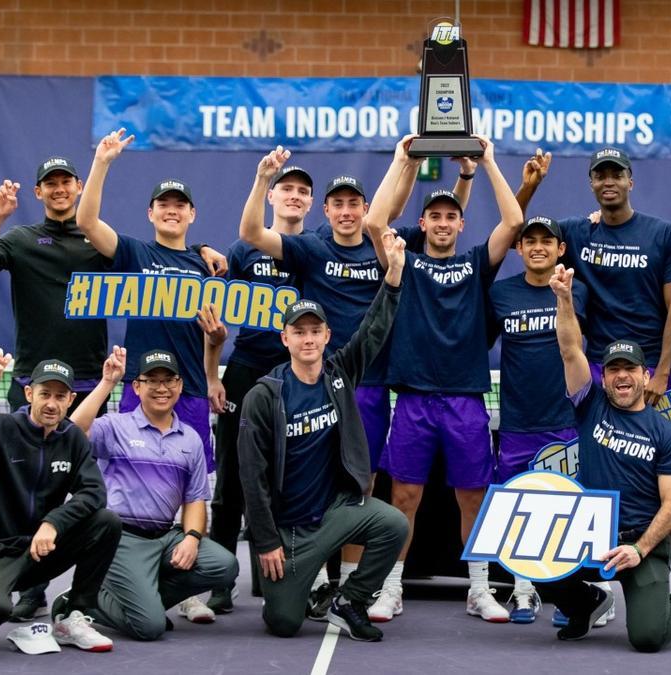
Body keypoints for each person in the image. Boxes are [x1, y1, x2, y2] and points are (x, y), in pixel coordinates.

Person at [0, 156, 226, 620]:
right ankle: (28, 583)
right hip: (39, 385)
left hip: (99, 385)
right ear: (41, 191)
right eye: (52, 183)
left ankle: (151, 584)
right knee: (36, 488)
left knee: (135, 489)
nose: (60, 189)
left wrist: (202, 250)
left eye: (67, 181)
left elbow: (174, 260)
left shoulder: (110, 252)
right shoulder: (27, 240)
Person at [238, 148, 426, 619]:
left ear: (364, 211)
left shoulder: (380, 245)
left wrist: (409, 160)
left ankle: (356, 588)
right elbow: (251, 233)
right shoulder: (313, 247)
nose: (346, 212)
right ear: (326, 211)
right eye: (337, 204)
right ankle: (318, 578)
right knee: (315, 471)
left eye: (354, 205)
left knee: (362, 478)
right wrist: (263, 180)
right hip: (314, 381)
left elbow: (393, 208)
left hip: (364, 377)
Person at [365, 135, 524, 624]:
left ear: (460, 223)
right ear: (423, 223)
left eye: (450, 216)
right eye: (434, 216)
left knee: (471, 497)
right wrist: (399, 159)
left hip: (464, 402)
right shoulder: (403, 263)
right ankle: (391, 588)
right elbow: (373, 222)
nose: (441, 222)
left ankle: (479, 589)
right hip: (412, 399)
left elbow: (515, 222)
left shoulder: (477, 265)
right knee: (403, 498)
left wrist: (489, 162)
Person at [541, 264, 671, 651]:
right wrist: (564, 299)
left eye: (630, 369)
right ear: (603, 378)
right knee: (535, 559)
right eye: (614, 369)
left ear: (644, 374)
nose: (622, 377)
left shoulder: (664, 432)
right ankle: (587, 603)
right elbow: (570, 349)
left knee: (649, 637)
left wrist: (640, 549)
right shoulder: (590, 406)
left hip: (641, 541)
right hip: (591, 534)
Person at [0, 350, 120, 653]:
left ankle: (74, 617)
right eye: (45, 393)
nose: (51, 403)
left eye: (60, 396)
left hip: (35, 549)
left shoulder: (71, 438)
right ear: (29, 393)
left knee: (105, 522)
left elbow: (93, 493)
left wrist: (53, 522)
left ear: (70, 399)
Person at [75, 128, 229, 474]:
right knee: (132, 469)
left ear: (192, 214)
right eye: (163, 205)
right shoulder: (134, 252)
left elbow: (212, 333)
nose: (171, 211)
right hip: (139, 383)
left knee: (191, 476)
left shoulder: (205, 266)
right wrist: (101, 163)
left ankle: (189, 531)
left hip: (189, 386)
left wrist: (213, 374)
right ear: (150, 213)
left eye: (179, 205)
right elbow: (85, 221)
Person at [68, 346, 240, 640]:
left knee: (224, 566)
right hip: (121, 539)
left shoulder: (191, 440)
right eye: (152, 380)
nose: (162, 388)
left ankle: (140, 598)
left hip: (164, 538)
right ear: (137, 387)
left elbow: (195, 499)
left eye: (169, 380)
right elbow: (73, 430)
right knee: (150, 627)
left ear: (179, 385)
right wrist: (107, 382)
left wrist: (191, 538)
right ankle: (83, 600)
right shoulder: (116, 427)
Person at [208, 163, 311, 613]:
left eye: (302, 191)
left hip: (297, 378)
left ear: (310, 203)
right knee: (231, 478)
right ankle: (220, 577)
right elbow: (213, 322)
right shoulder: (244, 251)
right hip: (246, 374)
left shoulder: (314, 251)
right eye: (285, 188)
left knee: (292, 480)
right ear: (272, 196)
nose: (293, 195)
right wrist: (213, 375)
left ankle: (288, 576)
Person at [521, 147, 671, 404]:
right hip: (599, 366)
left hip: (648, 368)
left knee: (650, 444)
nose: (608, 181)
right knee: (598, 445)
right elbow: (515, 239)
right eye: (600, 176)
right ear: (592, 185)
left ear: (630, 182)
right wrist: (529, 187)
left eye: (617, 175)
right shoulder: (577, 232)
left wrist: (663, 373)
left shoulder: (662, 234)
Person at [487, 214, 587, 624]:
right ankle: (524, 591)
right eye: (530, 241)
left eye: (548, 241)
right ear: (518, 248)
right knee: (517, 509)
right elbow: (474, 341)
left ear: (561, 249)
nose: (538, 246)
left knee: (565, 511)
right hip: (515, 422)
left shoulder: (576, 291)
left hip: (564, 420)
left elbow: (581, 348)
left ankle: (569, 595)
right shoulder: (501, 295)